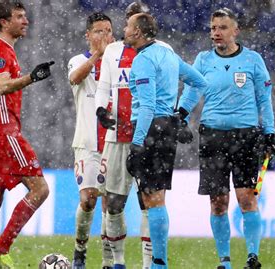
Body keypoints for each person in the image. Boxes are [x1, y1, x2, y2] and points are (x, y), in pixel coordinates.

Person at [177, 8, 275, 269]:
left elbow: (263, 100)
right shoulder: (203, 60)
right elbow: (191, 92)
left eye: (222, 27)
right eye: (213, 28)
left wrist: (269, 132)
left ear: (235, 31)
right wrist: (181, 119)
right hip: (213, 137)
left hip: (245, 137)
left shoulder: (253, 60)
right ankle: (224, 261)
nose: (216, 33)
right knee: (218, 202)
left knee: (246, 198)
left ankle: (252, 257)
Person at [94, 2, 179, 268]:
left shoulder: (164, 50)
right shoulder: (112, 51)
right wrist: (100, 109)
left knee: (149, 202)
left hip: (151, 136)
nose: (131, 24)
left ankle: (148, 263)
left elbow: (171, 86)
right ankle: (118, 262)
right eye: (130, 18)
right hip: (118, 136)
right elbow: (104, 86)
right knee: (115, 202)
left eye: (136, 19)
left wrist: (178, 115)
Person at [123, 13, 208, 269]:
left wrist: (137, 143)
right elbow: (199, 82)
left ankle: (160, 263)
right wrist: (180, 113)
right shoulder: (168, 54)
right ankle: (160, 262)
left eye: (128, 26)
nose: (125, 30)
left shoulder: (143, 60)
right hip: (167, 127)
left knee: (152, 198)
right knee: (157, 197)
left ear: (138, 32)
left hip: (150, 129)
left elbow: (147, 105)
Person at [0, 1, 54, 268]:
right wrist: (32, 77)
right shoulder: (0, 50)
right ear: (3, 23)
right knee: (40, 189)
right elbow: (3, 86)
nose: (26, 20)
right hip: (2, 129)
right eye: (19, 17)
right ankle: (0, 249)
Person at [67, 12, 115, 269]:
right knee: (88, 199)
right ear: (88, 35)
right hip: (87, 143)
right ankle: (80, 250)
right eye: (99, 31)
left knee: (112, 204)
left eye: (108, 30)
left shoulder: (119, 63)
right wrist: (98, 55)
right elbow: (75, 78)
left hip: (115, 142)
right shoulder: (78, 60)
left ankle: (109, 260)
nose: (105, 36)